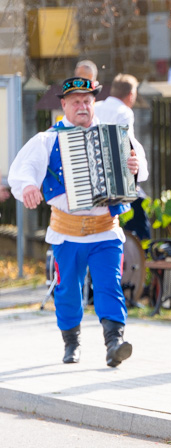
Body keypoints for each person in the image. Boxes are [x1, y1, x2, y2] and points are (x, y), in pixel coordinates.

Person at [8, 77, 148, 367]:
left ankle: (114, 343)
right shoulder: (47, 139)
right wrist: (29, 188)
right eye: (76, 102)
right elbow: (20, 173)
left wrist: (134, 167)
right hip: (66, 232)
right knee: (68, 290)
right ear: (64, 105)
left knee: (109, 285)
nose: (83, 106)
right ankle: (71, 342)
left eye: (87, 101)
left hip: (105, 229)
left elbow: (140, 168)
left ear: (94, 103)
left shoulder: (116, 134)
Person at [95, 73, 151, 241]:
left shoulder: (96, 107)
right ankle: (142, 259)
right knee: (138, 224)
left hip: (97, 175)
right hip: (120, 177)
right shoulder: (124, 111)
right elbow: (125, 145)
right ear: (131, 95)